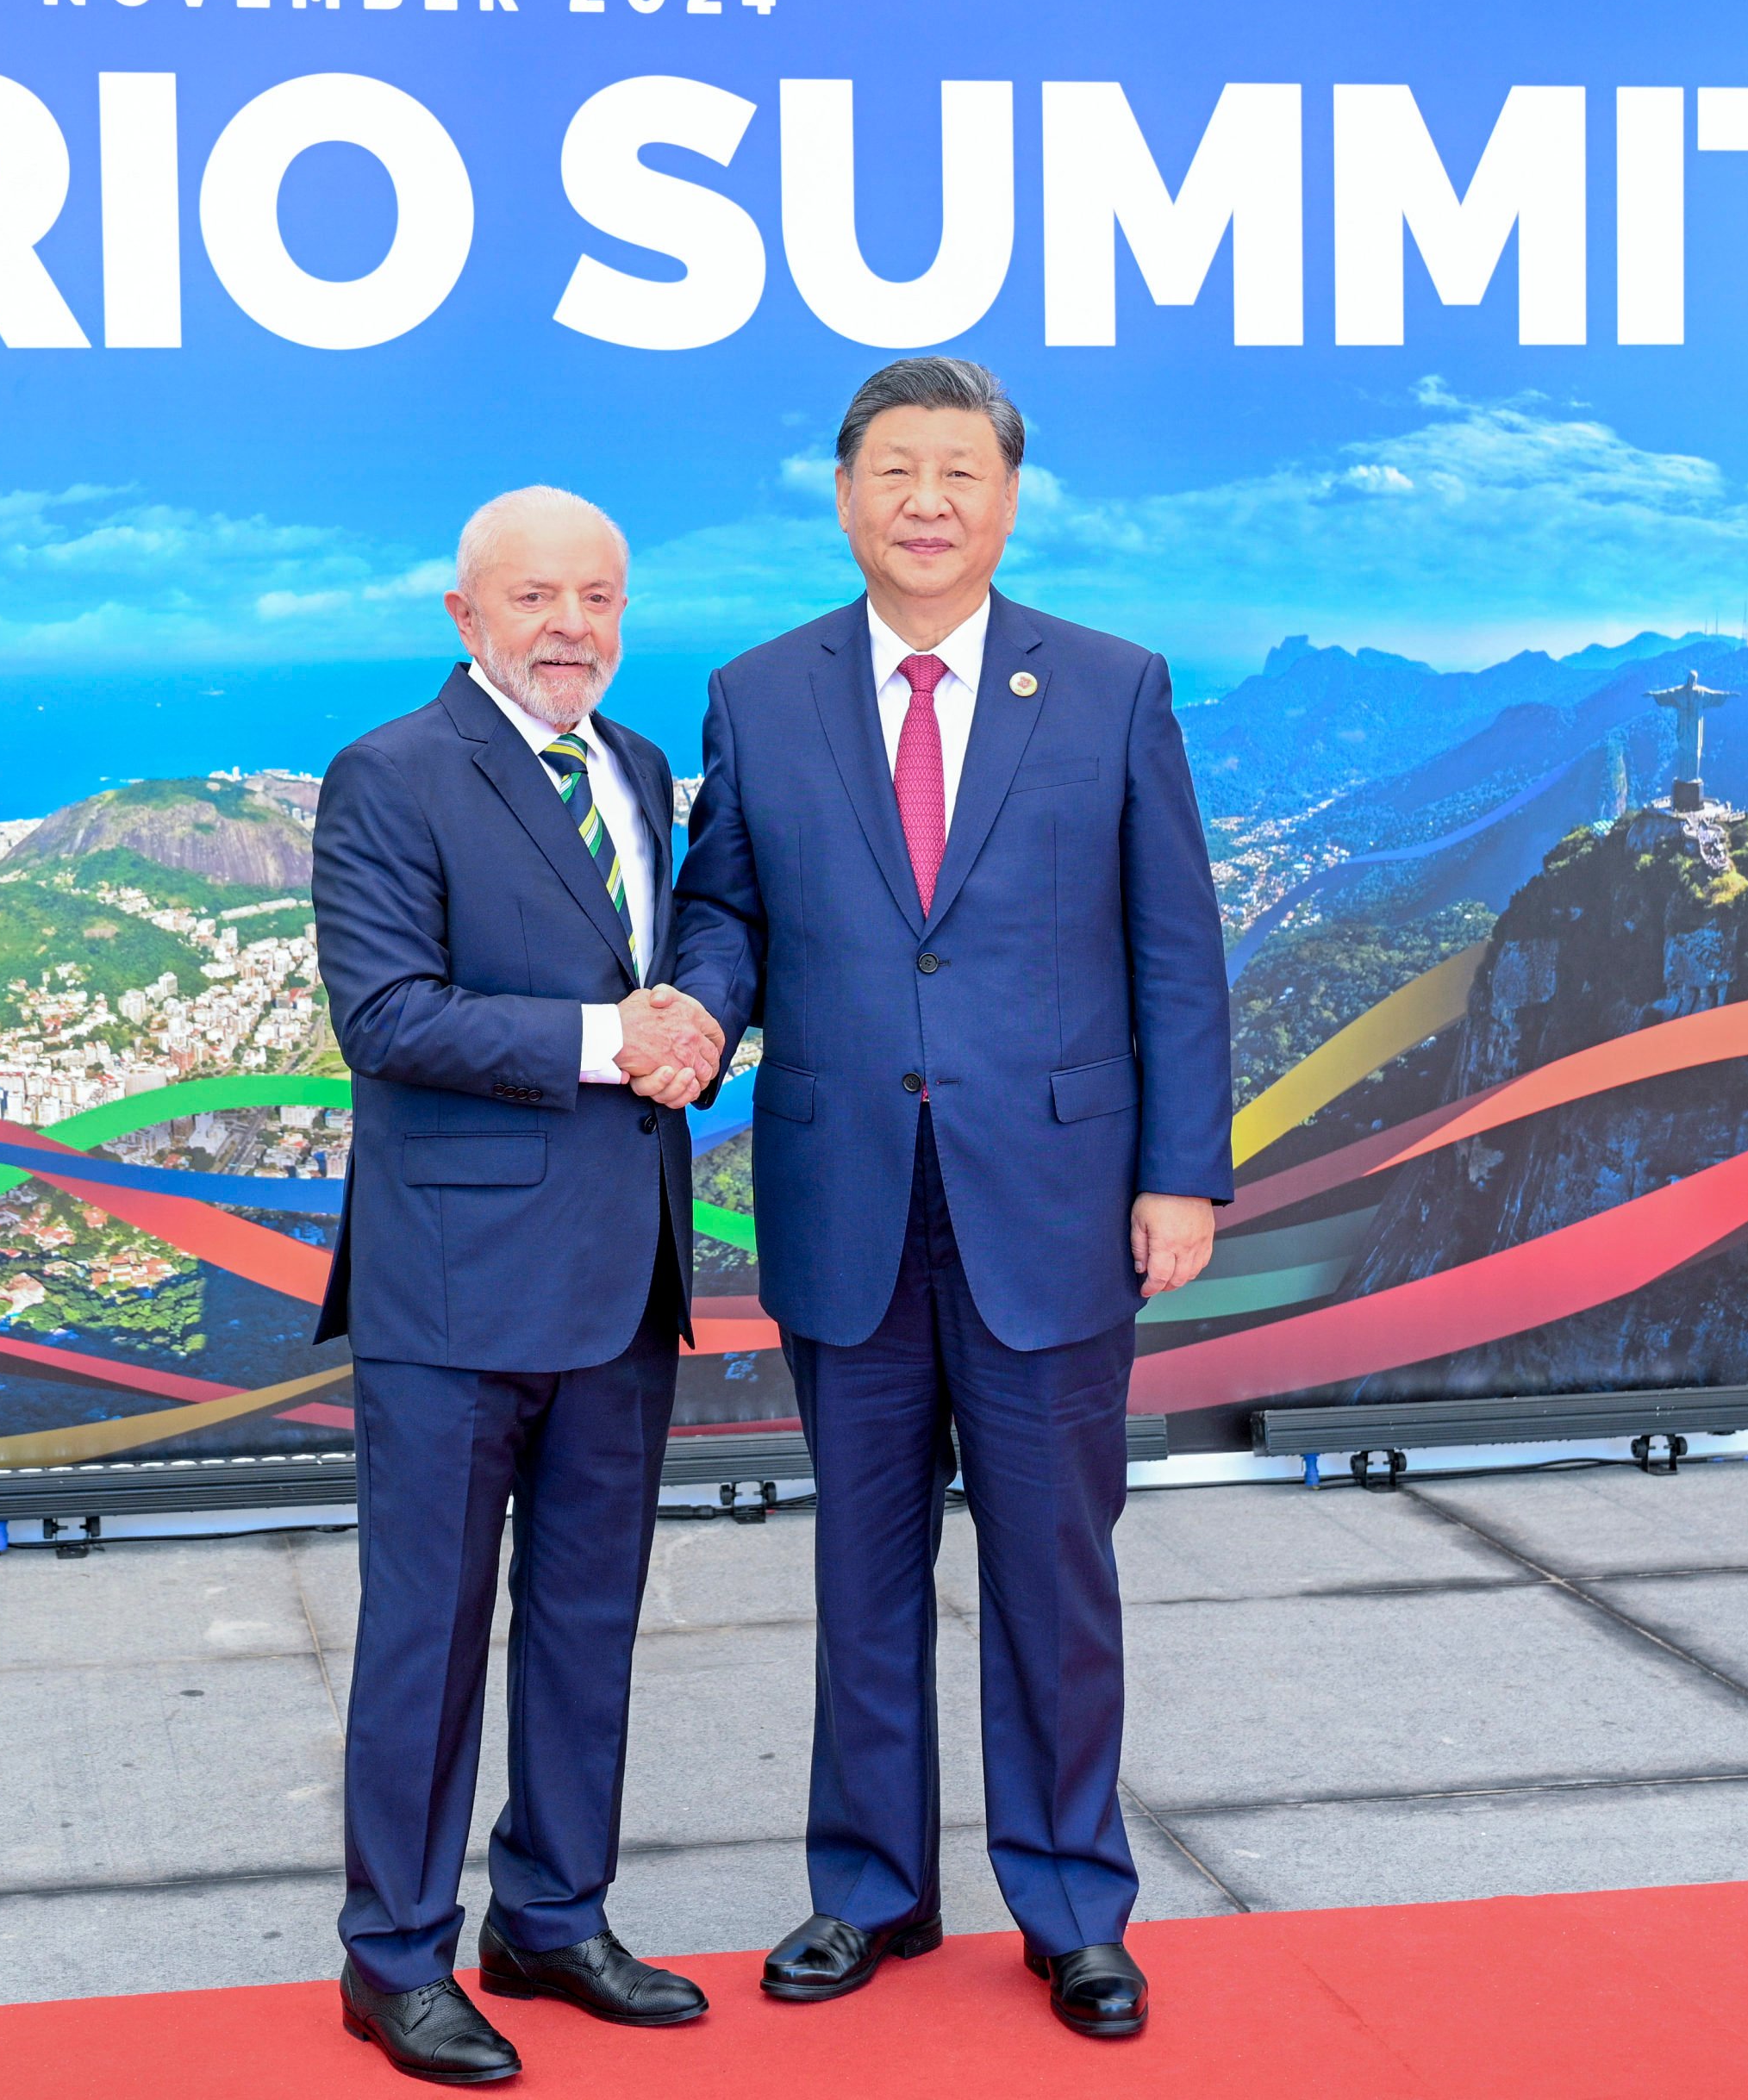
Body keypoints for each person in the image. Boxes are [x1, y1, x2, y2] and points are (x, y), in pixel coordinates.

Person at [668, 358, 1230, 2041]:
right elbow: (726, 911)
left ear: (1005, 499)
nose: (926, 500)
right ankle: (868, 1889)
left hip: (1053, 1201)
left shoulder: (1113, 688)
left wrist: (1178, 1171)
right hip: (846, 1192)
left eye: (958, 473)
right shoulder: (759, 695)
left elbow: (1171, 953)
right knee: (862, 1566)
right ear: (843, 495)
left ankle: (1070, 1901)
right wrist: (695, 999)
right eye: (894, 470)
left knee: (1055, 1570)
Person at [310, 485, 729, 2085]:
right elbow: (389, 1018)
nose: (573, 628)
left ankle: (554, 1913)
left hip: (623, 1271)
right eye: (538, 598)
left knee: (586, 1618)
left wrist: (681, 1014)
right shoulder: (389, 775)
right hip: (451, 1286)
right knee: (428, 1632)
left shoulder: (634, 768)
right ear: (464, 618)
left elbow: (664, 971)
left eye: (601, 599)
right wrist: (606, 1041)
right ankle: (396, 1955)